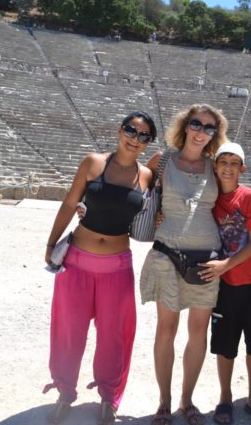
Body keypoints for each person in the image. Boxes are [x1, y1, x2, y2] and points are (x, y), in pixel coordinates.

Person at [42, 111, 157, 425]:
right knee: (68, 331)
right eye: (131, 131)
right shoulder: (93, 163)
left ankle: (109, 397)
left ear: (148, 143)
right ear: (119, 131)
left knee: (114, 335)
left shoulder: (147, 176)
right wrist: (51, 245)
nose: (135, 139)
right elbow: (69, 203)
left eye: (144, 136)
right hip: (77, 260)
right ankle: (65, 392)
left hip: (118, 266)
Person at [139, 104, 228, 425]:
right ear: (185, 126)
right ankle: (164, 402)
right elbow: (134, 193)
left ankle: (186, 400)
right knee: (166, 330)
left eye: (209, 128)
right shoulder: (162, 161)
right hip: (167, 254)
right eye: (196, 124)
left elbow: (238, 196)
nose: (201, 132)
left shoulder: (216, 166)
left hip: (207, 260)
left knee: (198, 332)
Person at [198, 142, 251, 425]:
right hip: (225, 286)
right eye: (223, 162)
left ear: (242, 168)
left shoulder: (250, 197)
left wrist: (225, 265)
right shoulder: (208, 198)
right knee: (225, 345)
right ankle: (225, 397)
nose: (228, 168)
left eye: (234, 163)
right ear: (215, 166)